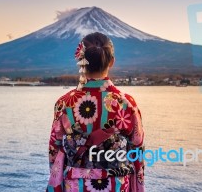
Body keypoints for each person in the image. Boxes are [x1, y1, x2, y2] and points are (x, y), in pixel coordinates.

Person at [46, 32, 145, 192]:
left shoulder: (64, 103)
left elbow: (54, 150)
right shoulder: (126, 103)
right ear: (112, 62)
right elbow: (137, 151)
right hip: (116, 184)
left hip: (75, 184)